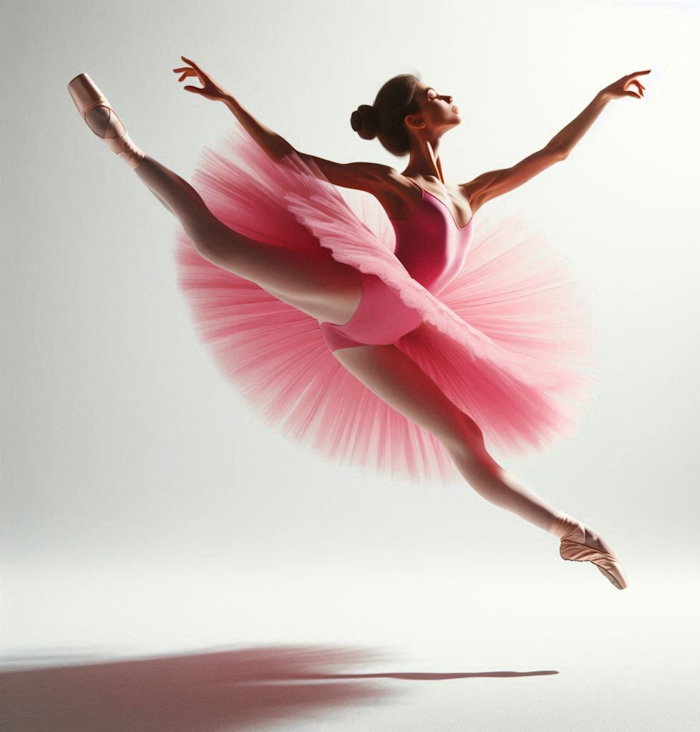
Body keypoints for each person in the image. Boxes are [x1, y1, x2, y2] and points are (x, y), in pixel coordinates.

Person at [67, 58, 650, 589]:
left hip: (371, 336)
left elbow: (553, 154)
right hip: (367, 302)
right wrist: (230, 102)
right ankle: (126, 149)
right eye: (435, 93)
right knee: (224, 248)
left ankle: (572, 535)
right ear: (418, 120)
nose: (450, 95)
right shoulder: (393, 184)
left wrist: (601, 98)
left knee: (465, 437)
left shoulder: (473, 191)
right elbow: (289, 158)